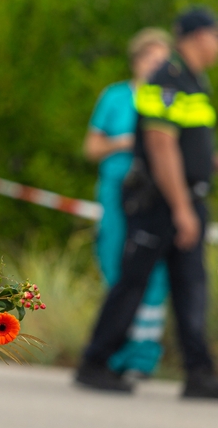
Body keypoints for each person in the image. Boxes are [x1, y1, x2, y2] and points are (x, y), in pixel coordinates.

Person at [76, 7, 218, 399]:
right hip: (161, 203)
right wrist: (182, 207)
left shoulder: (194, 82)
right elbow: (160, 144)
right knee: (132, 281)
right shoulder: (168, 79)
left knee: (191, 285)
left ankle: (199, 373)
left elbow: (190, 148)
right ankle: (96, 361)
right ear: (198, 36)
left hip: (184, 199)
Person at [83, 28, 171, 377]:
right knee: (117, 266)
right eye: (151, 58)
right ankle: (112, 353)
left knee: (154, 273)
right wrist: (123, 143)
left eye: (164, 60)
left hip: (155, 196)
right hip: (118, 191)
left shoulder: (170, 99)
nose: (157, 66)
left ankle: (142, 357)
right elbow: (91, 147)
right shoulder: (116, 97)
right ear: (137, 61)